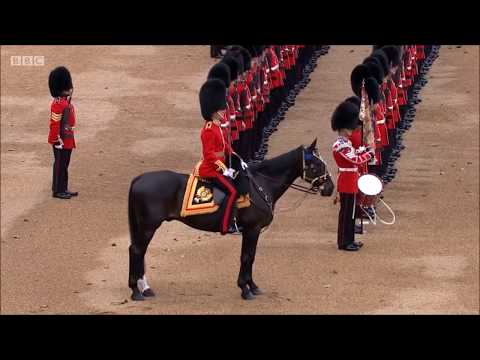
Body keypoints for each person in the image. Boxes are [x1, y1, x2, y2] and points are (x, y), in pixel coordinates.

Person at [198, 79, 242, 235]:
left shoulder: (217, 126)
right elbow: (209, 155)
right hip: (211, 170)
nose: (224, 110)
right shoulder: (209, 129)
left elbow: (225, 146)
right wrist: (224, 169)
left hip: (219, 167)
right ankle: (226, 225)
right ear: (213, 109)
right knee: (232, 191)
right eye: (221, 108)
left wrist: (238, 158)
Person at [331, 101, 374, 251]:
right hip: (346, 181)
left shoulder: (346, 143)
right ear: (343, 128)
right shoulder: (340, 144)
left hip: (351, 180)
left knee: (351, 214)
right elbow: (355, 159)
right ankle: (344, 242)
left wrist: (364, 151)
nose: (352, 130)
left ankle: (350, 240)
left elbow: (355, 154)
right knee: (346, 214)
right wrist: (369, 153)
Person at [48, 66, 78, 199]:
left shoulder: (64, 102)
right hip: (60, 141)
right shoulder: (58, 104)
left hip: (67, 139)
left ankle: (62, 187)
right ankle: (58, 190)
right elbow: (54, 124)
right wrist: (56, 140)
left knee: (64, 165)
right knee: (60, 165)